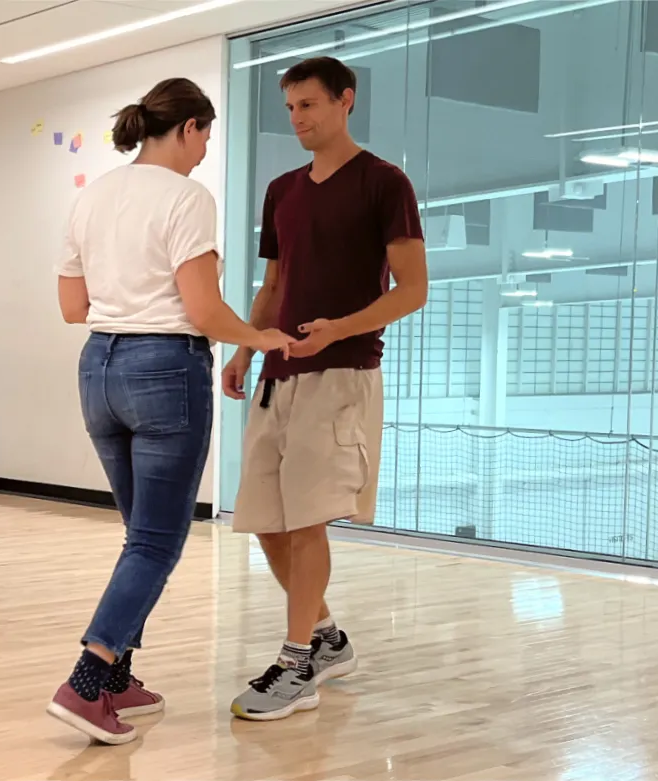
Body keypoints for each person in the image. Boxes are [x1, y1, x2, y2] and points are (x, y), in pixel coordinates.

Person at [46, 77, 295, 744]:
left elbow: (74, 307)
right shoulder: (188, 197)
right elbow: (205, 309)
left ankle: (121, 676)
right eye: (206, 134)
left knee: (140, 534)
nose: (207, 148)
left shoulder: (93, 196)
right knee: (156, 539)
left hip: (98, 367)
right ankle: (88, 677)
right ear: (187, 128)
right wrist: (263, 335)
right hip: (164, 368)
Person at [223, 57, 428, 721]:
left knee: (306, 520)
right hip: (279, 375)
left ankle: (295, 661)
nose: (297, 119)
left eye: (308, 105)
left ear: (346, 101)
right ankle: (327, 637)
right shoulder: (282, 190)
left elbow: (413, 289)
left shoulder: (384, 183)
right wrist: (243, 348)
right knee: (265, 522)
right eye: (289, 108)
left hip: (342, 377)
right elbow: (275, 286)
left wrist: (339, 327)